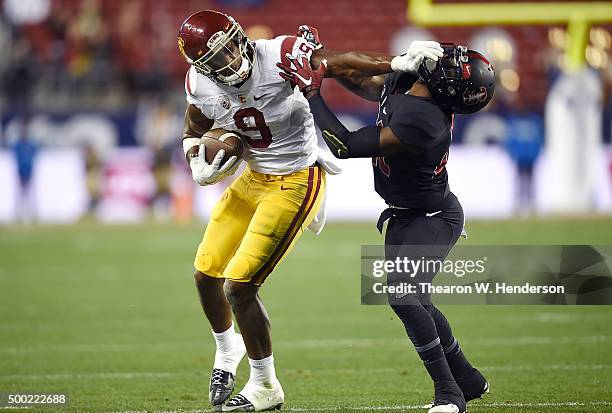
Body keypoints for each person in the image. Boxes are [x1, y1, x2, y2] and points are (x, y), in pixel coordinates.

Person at [177, 10, 444, 412]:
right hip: (252, 178)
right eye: (218, 56)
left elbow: (337, 62)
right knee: (205, 275)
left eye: (232, 43)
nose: (232, 57)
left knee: (239, 286)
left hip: (296, 181)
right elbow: (193, 127)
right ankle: (226, 352)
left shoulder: (278, 53)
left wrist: (397, 61)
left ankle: (266, 386)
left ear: (239, 34)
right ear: (201, 66)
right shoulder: (199, 83)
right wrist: (194, 158)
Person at [278, 37, 495, 413]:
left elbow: (344, 145)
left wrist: (312, 92)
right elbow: (361, 80)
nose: (442, 60)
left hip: (432, 217)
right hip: (404, 215)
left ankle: (449, 393)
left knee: (404, 296)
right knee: (417, 300)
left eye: (450, 67)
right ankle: (468, 378)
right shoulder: (412, 81)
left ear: (448, 89)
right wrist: (326, 62)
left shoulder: (425, 120)